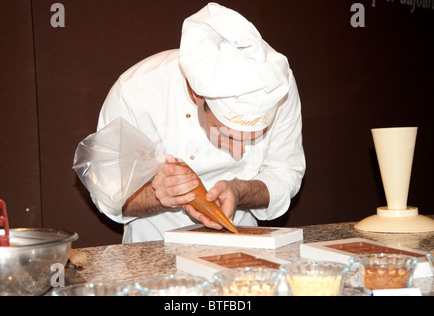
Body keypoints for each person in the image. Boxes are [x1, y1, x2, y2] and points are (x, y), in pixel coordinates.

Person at [93, 3, 305, 243]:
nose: (239, 152)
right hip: (154, 245)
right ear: (197, 95)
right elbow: (109, 196)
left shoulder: (277, 87)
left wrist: (239, 191)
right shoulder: (135, 92)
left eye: (256, 135)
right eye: (227, 135)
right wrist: (159, 194)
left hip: (242, 240)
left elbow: (285, 173)